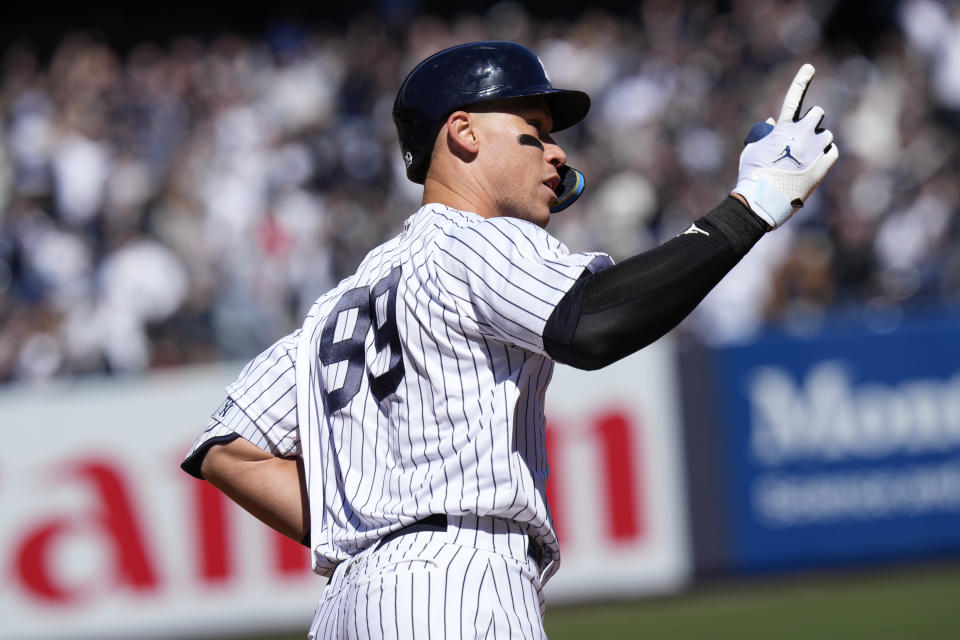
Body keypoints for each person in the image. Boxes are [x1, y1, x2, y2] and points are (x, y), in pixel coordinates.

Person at [181, 41, 837, 639]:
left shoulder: (336, 304)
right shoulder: (475, 238)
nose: (557, 154)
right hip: (457, 585)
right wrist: (753, 205)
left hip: (347, 608)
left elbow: (226, 449)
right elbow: (593, 323)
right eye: (534, 134)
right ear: (462, 132)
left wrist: (358, 527)